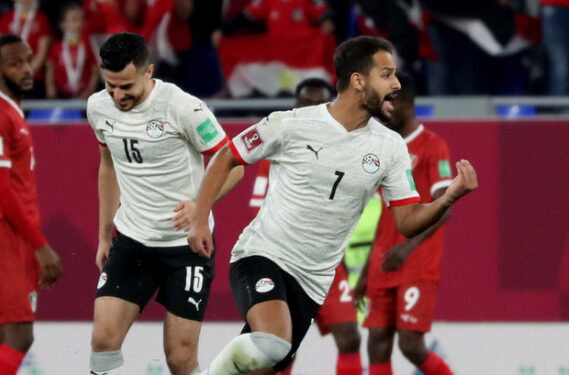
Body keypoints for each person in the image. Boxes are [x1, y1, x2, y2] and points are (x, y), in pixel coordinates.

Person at [188, 36, 478, 375]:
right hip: (264, 255)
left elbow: (408, 221)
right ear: (358, 81)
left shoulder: (390, 147)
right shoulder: (291, 124)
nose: (397, 84)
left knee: (264, 364)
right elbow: (227, 156)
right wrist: (198, 216)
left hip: (313, 282)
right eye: (386, 75)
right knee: (274, 342)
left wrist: (449, 197)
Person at [85, 32, 243, 375]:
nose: (118, 95)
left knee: (180, 358)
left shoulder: (181, 107)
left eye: (126, 86)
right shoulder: (98, 107)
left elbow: (232, 165)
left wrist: (200, 205)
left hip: (184, 247)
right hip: (132, 241)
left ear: (148, 72)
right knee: (102, 338)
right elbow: (108, 165)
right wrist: (103, 235)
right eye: (111, 85)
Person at [248, 77, 363, 375]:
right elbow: (260, 209)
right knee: (281, 345)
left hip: (326, 263)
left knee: (349, 336)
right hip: (284, 260)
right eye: (306, 103)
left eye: (318, 103)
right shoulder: (277, 152)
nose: (312, 109)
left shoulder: (348, 152)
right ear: (296, 107)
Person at [0, 34, 63, 375]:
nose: (25, 69)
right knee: (20, 335)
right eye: (14, 63)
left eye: (27, 60)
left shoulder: (7, 111)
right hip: (2, 231)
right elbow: (0, 187)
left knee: (0, 336)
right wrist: (40, 246)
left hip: (3, 230)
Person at [353, 72, 454, 375]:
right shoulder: (387, 148)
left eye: (388, 102)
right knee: (377, 342)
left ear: (407, 102)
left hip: (416, 262)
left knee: (410, 344)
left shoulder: (432, 146)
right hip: (383, 261)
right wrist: (363, 276)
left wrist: (407, 248)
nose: (383, 110)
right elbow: (385, 216)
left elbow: (445, 207)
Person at [0, 0, 53, 98]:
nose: (26, 1)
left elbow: (42, 53)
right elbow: (0, 51)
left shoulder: (41, 19)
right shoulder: (6, 19)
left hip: (35, 78)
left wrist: (26, 73)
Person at [45, 3, 99, 99]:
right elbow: (50, 69)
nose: (79, 24)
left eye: (82, 19)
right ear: (63, 24)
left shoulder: (89, 45)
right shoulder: (57, 46)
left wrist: (90, 90)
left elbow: (95, 70)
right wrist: (50, 88)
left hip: (84, 96)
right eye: (74, 20)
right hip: (61, 96)